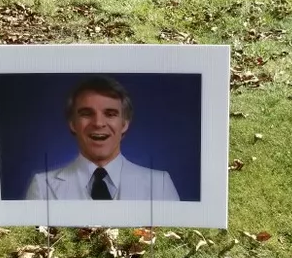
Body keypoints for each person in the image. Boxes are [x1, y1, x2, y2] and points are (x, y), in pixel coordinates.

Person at [25, 75, 180, 201]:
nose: (98, 123)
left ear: (124, 124)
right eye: (86, 113)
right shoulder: (42, 187)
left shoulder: (160, 185)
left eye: (110, 114)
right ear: (73, 124)